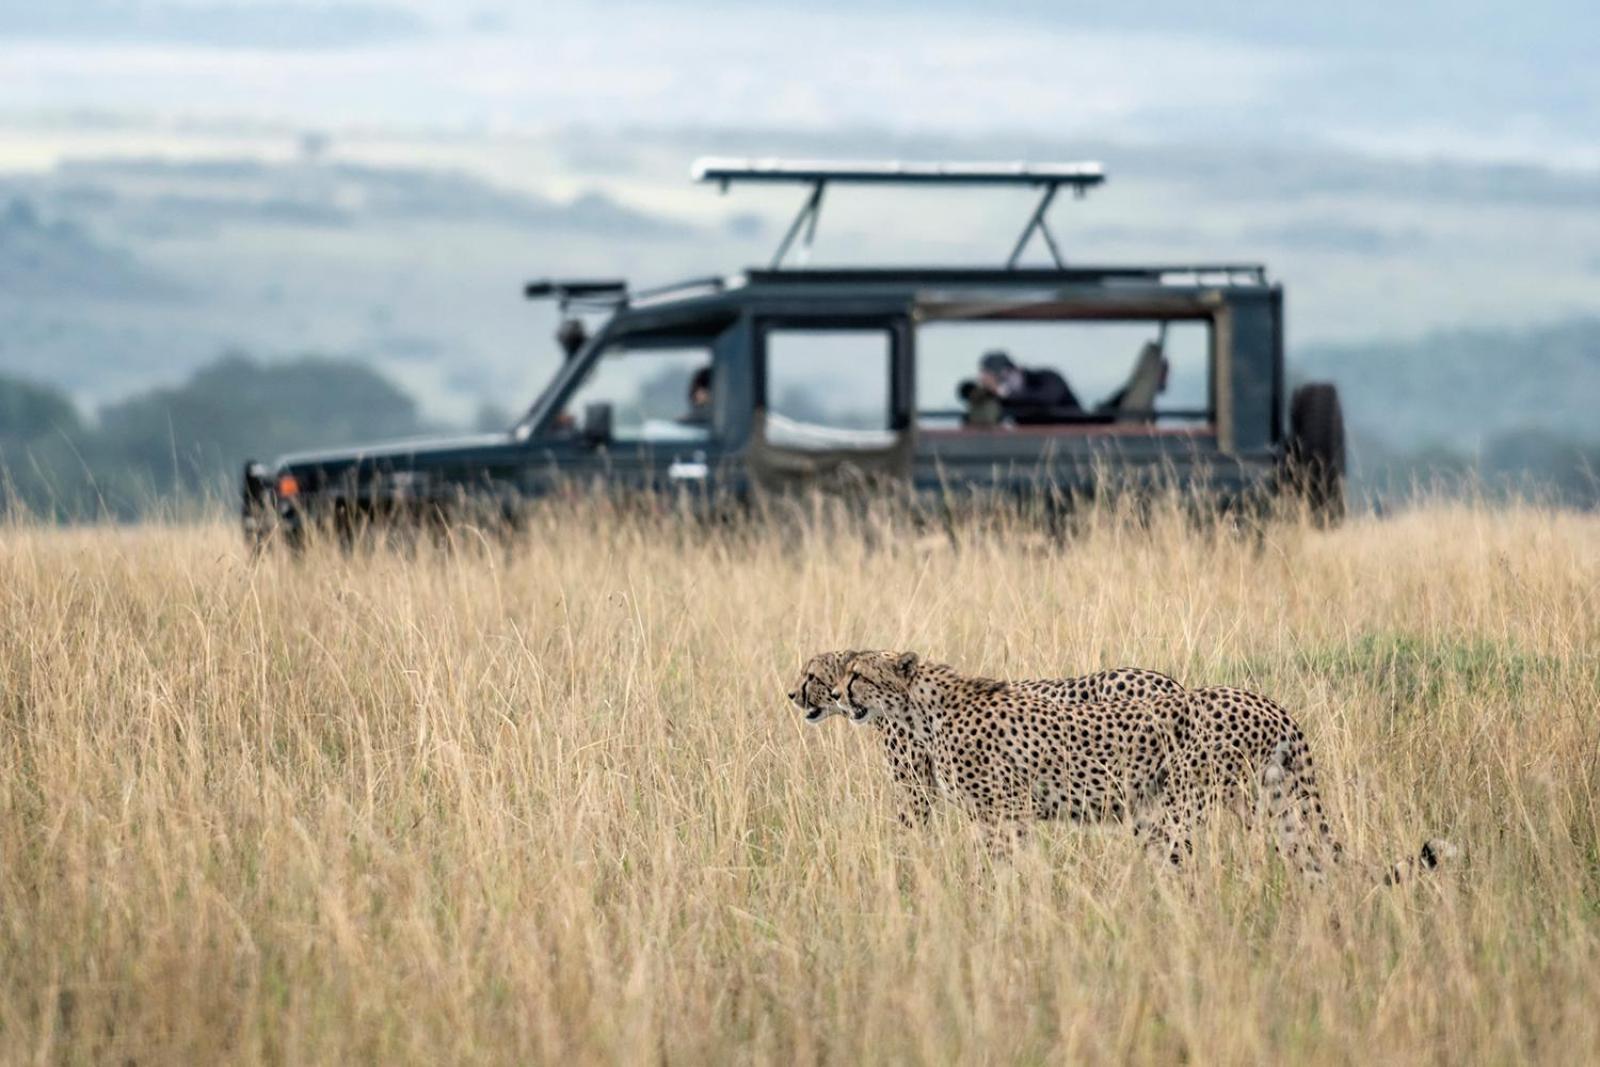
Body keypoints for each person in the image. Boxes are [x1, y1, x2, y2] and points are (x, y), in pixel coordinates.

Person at [976, 350, 1081, 424]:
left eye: (1005, 377)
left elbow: (1046, 399)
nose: (1005, 382)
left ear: (1017, 370)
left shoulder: (1048, 377)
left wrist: (1003, 392)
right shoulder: (1004, 398)